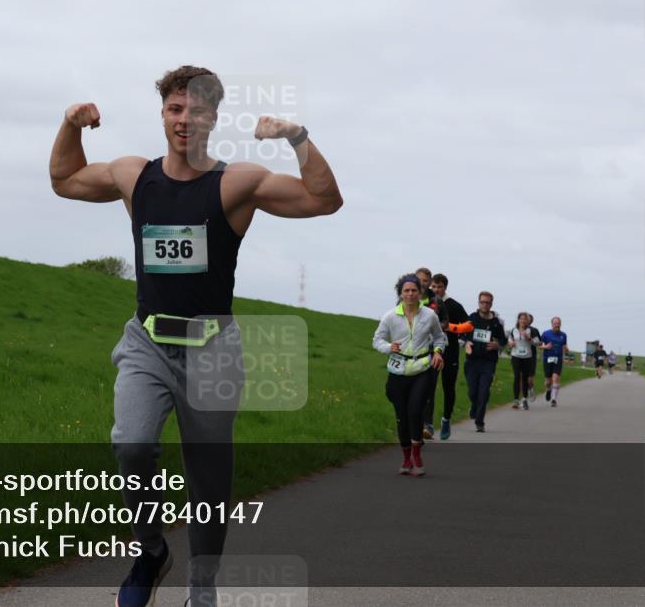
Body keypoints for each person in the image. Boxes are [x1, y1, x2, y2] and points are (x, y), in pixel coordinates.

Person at [50, 65, 343, 607]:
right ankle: (151, 552)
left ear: (214, 117)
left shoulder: (237, 183)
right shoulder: (133, 176)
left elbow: (324, 199)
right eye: (175, 109)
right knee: (132, 443)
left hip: (213, 349)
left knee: (208, 483)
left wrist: (296, 136)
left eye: (198, 110)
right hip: (147, 342)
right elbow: (65, 180)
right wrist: (70, 124)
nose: (185, 120)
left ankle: (201, 590)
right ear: (163, 114)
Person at [373, 273, 447, 476]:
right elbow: (377, 340)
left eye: (414, 290)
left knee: (415, 412)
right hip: (398, 370)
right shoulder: (390, 316)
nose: (410, 294)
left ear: (420, 292)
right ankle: (406, 457)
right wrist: (389, 347)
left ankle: (416, 454)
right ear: (401, 293)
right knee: (402, 416)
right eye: (406, 290)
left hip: (421, 368)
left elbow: (440, 338)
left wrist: (438, 352)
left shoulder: (429, 315)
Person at [428, 273, 470, 439]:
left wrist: (450, 328)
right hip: (430, 350)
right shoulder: (426, 303)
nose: (436, 290)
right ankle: (428, 424)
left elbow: (468, 325)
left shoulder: (454, 305)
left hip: (450, 351)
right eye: (433, 286)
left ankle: (446, 419)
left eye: (439, 287)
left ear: (445, 287)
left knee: (448, 387)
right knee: (428, 386)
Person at [463, 291, 508, 432]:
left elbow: (504, 340)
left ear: (491, 304)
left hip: (488, 362)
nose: (484, 305)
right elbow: (462, 334)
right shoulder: (471, 318)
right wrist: (466, 343)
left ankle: (480, 422)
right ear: (478, 303)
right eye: (482, 302)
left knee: (483, 392)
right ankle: (474, 405)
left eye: (487, 303)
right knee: (472, 392)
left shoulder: (496, 322)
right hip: (472, 361)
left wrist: (497, 345)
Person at [415, 267, 449, 439]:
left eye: (425, 280)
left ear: (429, 282)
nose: (422, 283)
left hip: (431, 350)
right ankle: (413, 422)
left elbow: (446, 323)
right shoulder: (406, 297)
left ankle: (427, 424)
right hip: (411, 351)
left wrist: (434, 326)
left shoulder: (436, 301)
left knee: (429, 387)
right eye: (419, 279)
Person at [508, 312, 540, 410]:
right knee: (517, 376)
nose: (523, 321)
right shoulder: (514, 330)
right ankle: (516, 400)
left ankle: (524, 399)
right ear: (518, 320)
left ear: (527, 321)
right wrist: (511, 343)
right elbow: (509, 339)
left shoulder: (531, 330)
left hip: (527, 357)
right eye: (521, 319)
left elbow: (537, 343)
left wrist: (529, 338)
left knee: (525, 378)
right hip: (516, 356)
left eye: (525, 319)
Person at [540, 317, 569, 406]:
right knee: (548, 381)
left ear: (560, 324)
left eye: (558, 323)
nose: (557, 325)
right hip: (547, 359)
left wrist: (566, 349)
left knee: (555, 378)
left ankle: (554, 400)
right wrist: (546, 347)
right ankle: (548, 389)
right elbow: (539, 345)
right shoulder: (545, 334)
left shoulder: (563, 335)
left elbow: (564, 346)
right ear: (552, 324)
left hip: (558, 359)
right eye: (555, 323)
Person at [527, 315, 542, 402]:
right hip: (519, 357)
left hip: (531, 357)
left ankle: (531, 389)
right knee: (520, 378)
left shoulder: (534, 330)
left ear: (531, 321)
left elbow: (539, 343)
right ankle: (522, 399)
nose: (525, 320)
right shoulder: (518, 329)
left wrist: (531, 340)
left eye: (527, 319)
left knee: (529, 380)